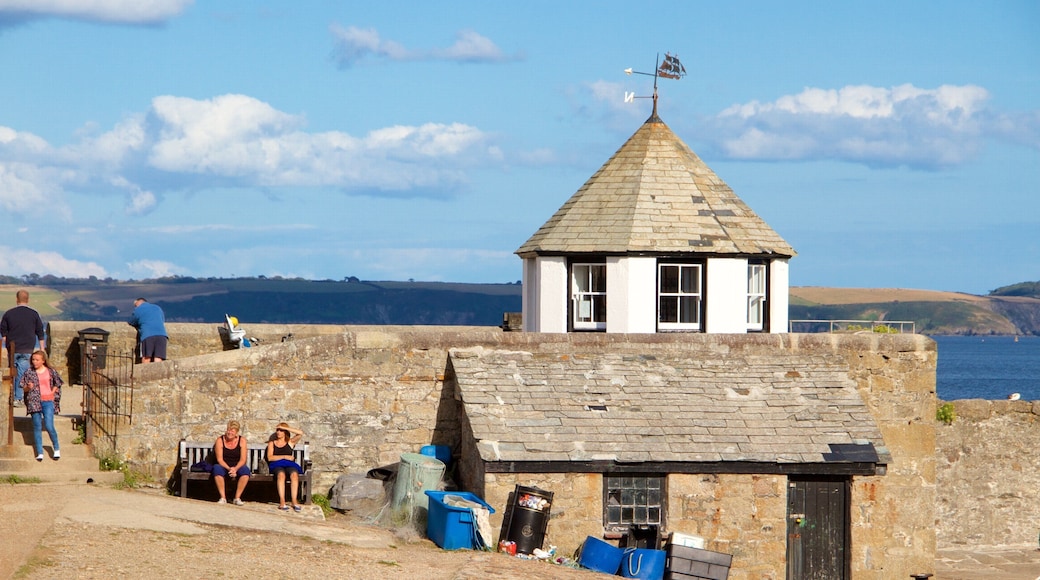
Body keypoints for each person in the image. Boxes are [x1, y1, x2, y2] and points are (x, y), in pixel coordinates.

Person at [1, 290, 46, 407]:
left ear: (17, 299)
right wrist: (42, 348)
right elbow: (40, 332)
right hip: (27, 349)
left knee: (13, 373)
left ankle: (13, 396)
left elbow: (3, 333)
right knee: (22, 373)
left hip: (13, 349)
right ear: (28, 299)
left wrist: (6, 343)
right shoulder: (34, 314)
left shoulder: (9, 314)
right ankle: (18, 398)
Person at [20, 350, 62, 461]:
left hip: (48, 401)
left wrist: (52, 393)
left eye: (37, 360)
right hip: (34, 402)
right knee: (37, 426)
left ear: (43, 361)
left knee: (49, 425)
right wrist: (28, 387)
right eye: (33, 359)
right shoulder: (29, 372)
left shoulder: (50, 371)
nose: (35, 362)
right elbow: (23, 387)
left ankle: (56, 448)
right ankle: (40, 452)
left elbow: (57, 383)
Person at [266, 422, 305, 511]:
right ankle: (282, 501)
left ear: (285, 432)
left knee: (294, 474)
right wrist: (284, 456)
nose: (278, 432)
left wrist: (287, 428)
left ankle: (294, 501)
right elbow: (270, 457)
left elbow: (300, 433)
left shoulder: (290, 442)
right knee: (281, 475)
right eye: (277, 430)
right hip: (276, 464)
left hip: (289, 464)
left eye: (281, 430)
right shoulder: (272, 443)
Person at [213, 420, 250, 505]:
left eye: (232, 431)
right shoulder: (220, 440)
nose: (229, 433)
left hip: (237, 465)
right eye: (228, 430)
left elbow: (243, 459)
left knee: (245, 471)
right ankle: (223, 497)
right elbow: (220, 459)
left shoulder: (242, 441)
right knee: (217, 469)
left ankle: (237, 498)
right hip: (224, 465)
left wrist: (235, 469)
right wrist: (229, 469)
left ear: (236, 432)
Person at [128, 298, 168, 363]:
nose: (135, 308)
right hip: (162, 334)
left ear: (138, 304)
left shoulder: (138, 309)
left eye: (135, 306)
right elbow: (162, 320)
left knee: (146, 357)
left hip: (148, 335)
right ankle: (157, 373)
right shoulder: (157, 308)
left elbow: (132, 321)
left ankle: (145, 373)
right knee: (158, 358)